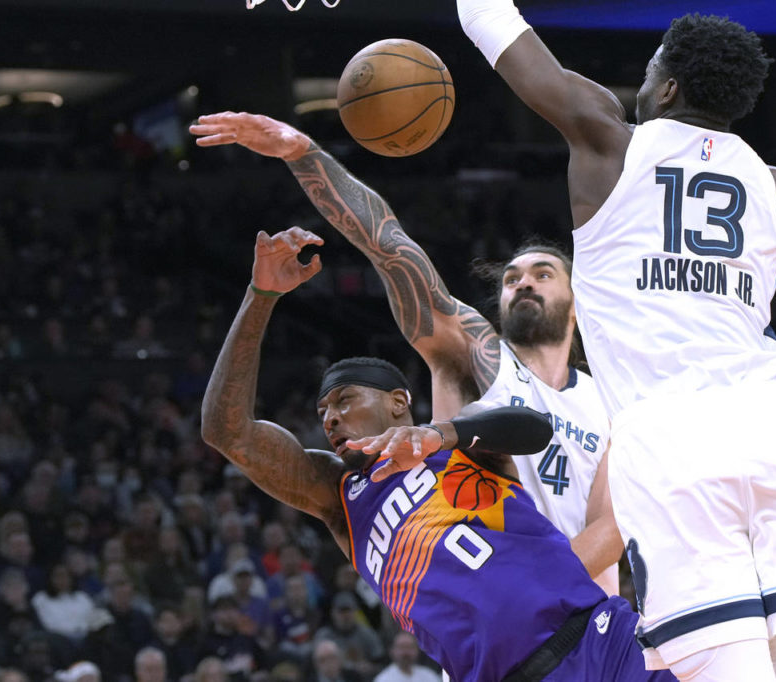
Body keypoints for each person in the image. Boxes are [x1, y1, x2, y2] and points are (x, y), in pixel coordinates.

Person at [454, 6, 776, 681]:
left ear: (666, 88)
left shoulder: (610, 145)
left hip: (668, 439)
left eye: (648, 70)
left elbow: (486, 17)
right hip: (773, 430)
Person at [199, 227, 677, 681]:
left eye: (345, 400)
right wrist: (260, 295)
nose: (331, 419)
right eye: (323, 411)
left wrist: (442, 435)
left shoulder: (462, 443)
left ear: (397, 403)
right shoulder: (339, 496)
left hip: (597, 640)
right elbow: (226, 431)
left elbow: (532, 428)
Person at [190, 112, 620, 594]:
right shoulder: (477, 355)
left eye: (543, 274)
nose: (522, 282)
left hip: (588, 611)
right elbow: (388, 246)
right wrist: (302, 151)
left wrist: (549, 592)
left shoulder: (609, 399)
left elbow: (616, 522)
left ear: (577, 299)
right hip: (495, 612)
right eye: (510, 278)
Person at [374, 632, 441, 682]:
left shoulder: (429, 675)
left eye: (410, 647)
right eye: (402, 647)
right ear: (392, 651)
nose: (406, 652)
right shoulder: (383, 679)